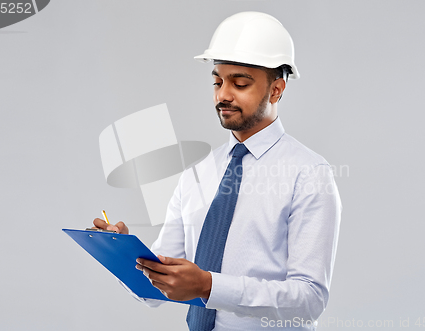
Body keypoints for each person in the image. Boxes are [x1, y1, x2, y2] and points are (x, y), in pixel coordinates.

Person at [93, 11, 341, 331]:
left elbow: (308, 301)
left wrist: (208, 287)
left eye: (240, 83)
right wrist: (125, 256)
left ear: (277, 89)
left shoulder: (308, 174)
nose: (223, 94)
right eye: (217, 81)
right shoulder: (197, 175)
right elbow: (155, 288)